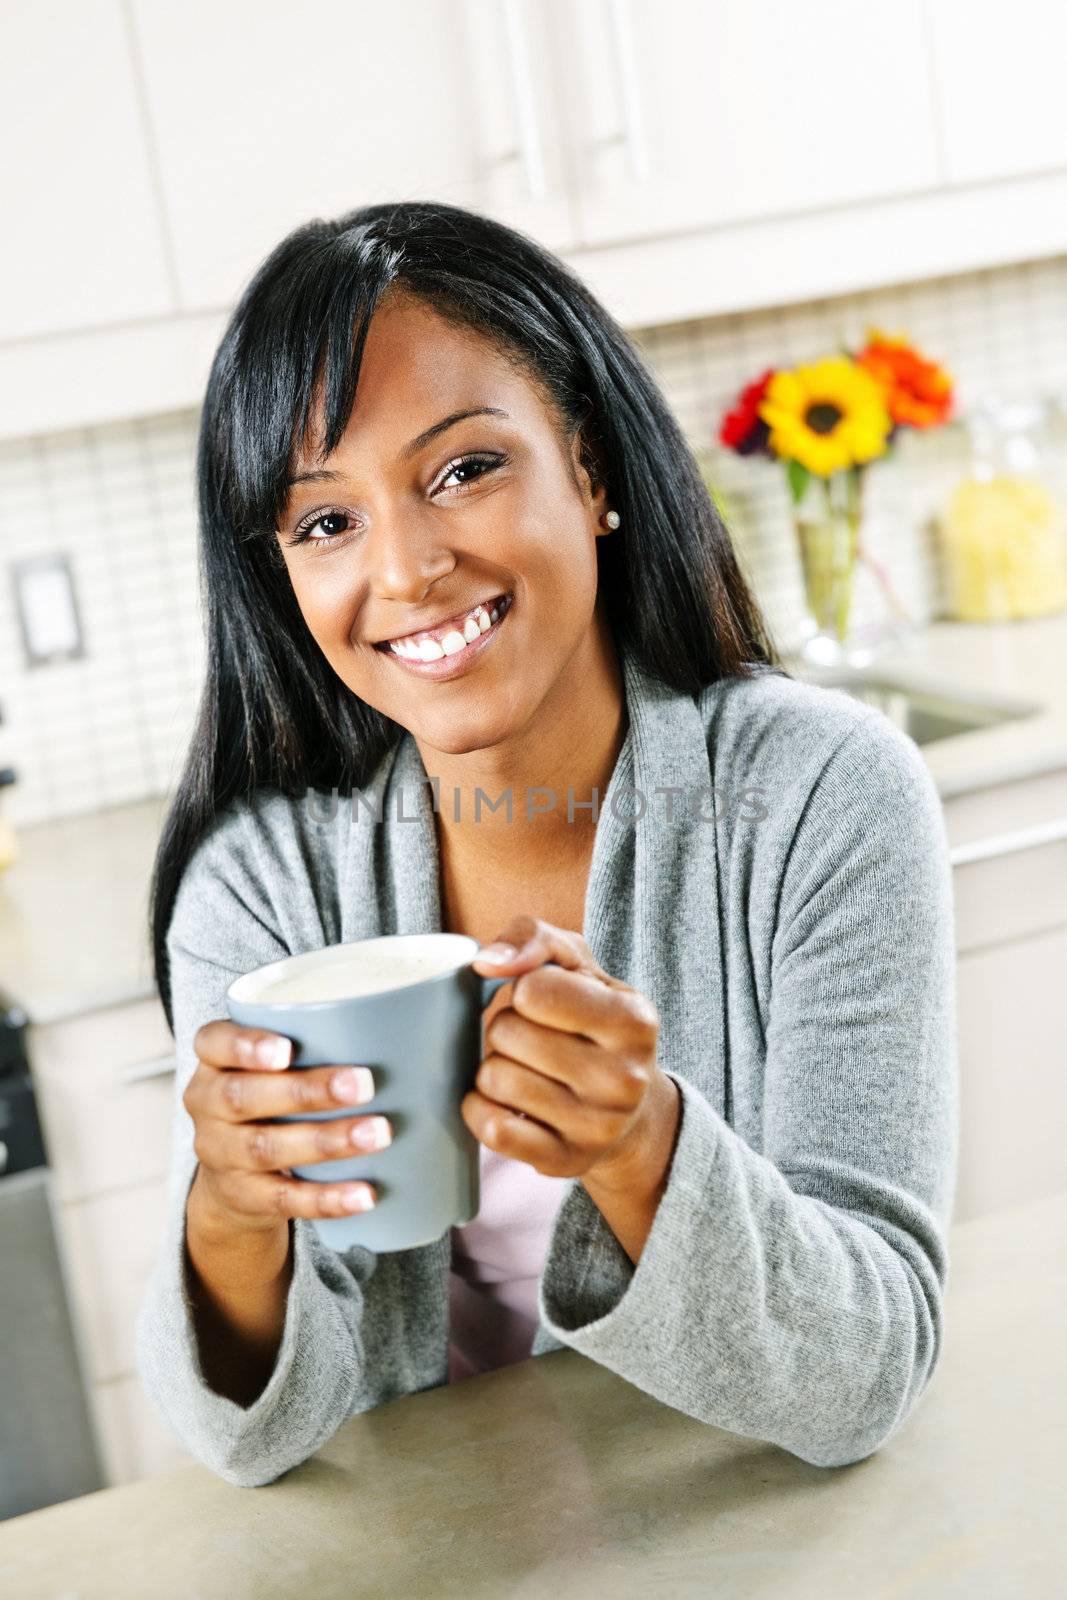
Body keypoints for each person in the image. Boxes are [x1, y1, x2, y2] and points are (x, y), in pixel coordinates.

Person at [135, 200, 958, 1490]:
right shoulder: (261, 881)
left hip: (752, 1526)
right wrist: (230, 1214)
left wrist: (642, 1145)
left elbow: (866, 1375)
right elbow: (252, 1439)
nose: (405, 570)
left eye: (463, 469)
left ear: (591, 469)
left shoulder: (819, 796)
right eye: (325, 521)